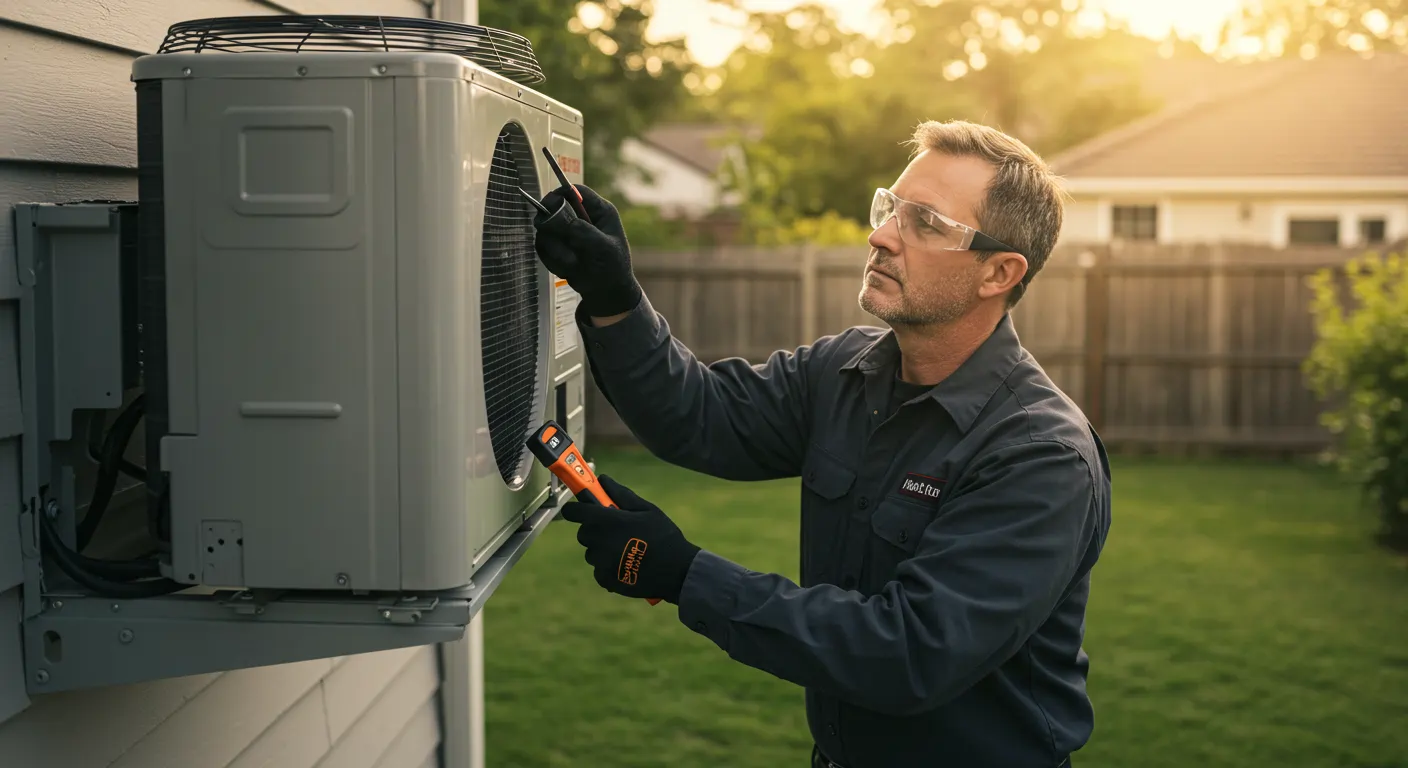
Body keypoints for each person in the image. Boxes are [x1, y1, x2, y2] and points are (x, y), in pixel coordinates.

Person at [530, 119, 1112, 768]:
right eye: (890, 207)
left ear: (998, 272)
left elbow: (910, 654)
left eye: (925, 223)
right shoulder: (845, 372)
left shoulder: (1040, 456)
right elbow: (698, 416)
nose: (881, 234)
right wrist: (614, 296)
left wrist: (684, 572)